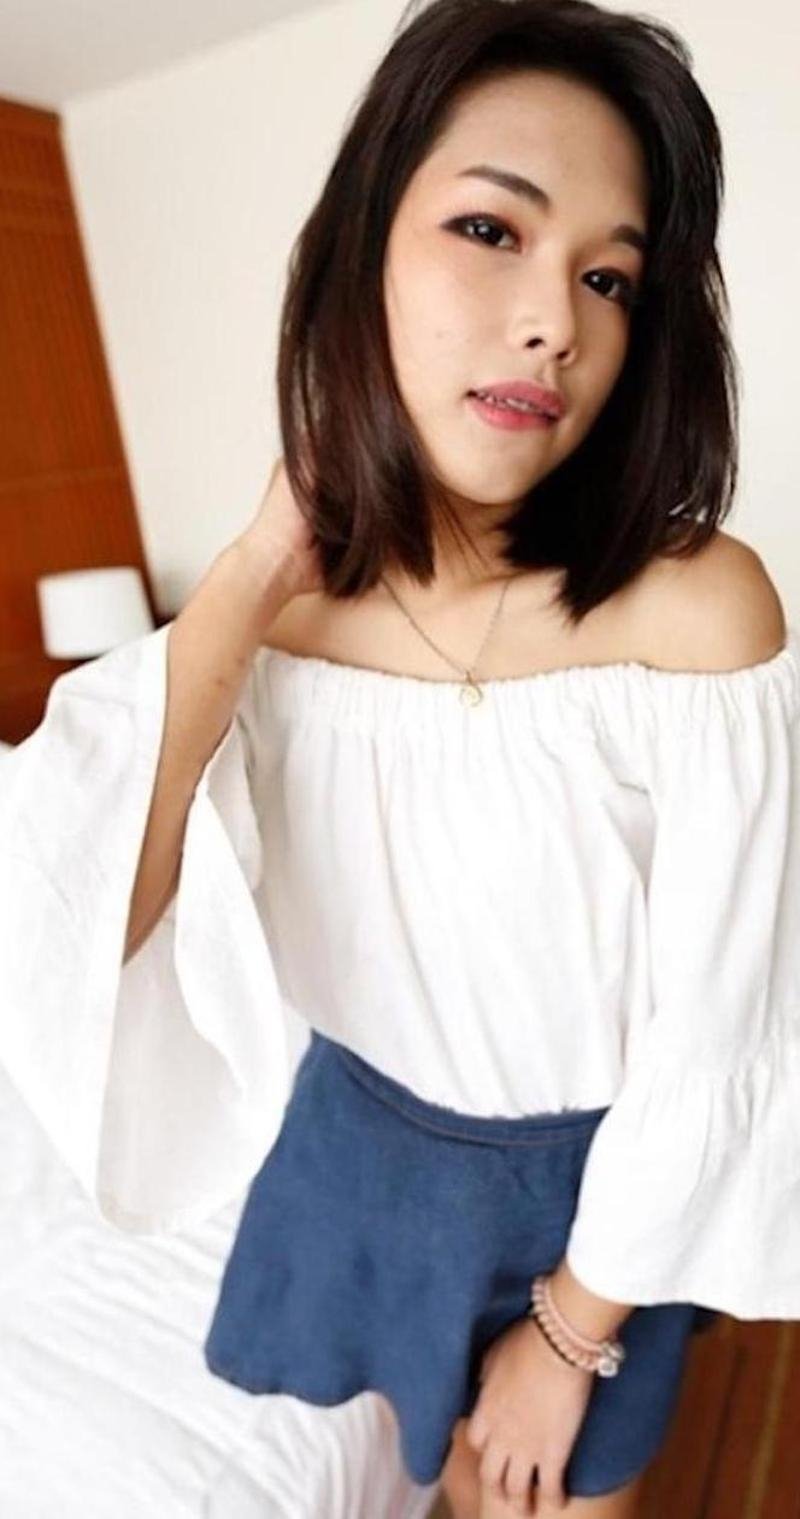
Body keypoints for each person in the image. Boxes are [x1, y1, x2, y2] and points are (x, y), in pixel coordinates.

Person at [1, 1, 798, 1515]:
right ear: (362, 249)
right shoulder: (272, 624)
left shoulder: (697, 616)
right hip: (356, 1155)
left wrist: (570, 1331)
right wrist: (252, 570)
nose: (557, 320)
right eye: (493, 229)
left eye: (609, 276)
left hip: (587, 1205)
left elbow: (718, 1042)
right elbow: (76, 916)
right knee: (426, 1475)